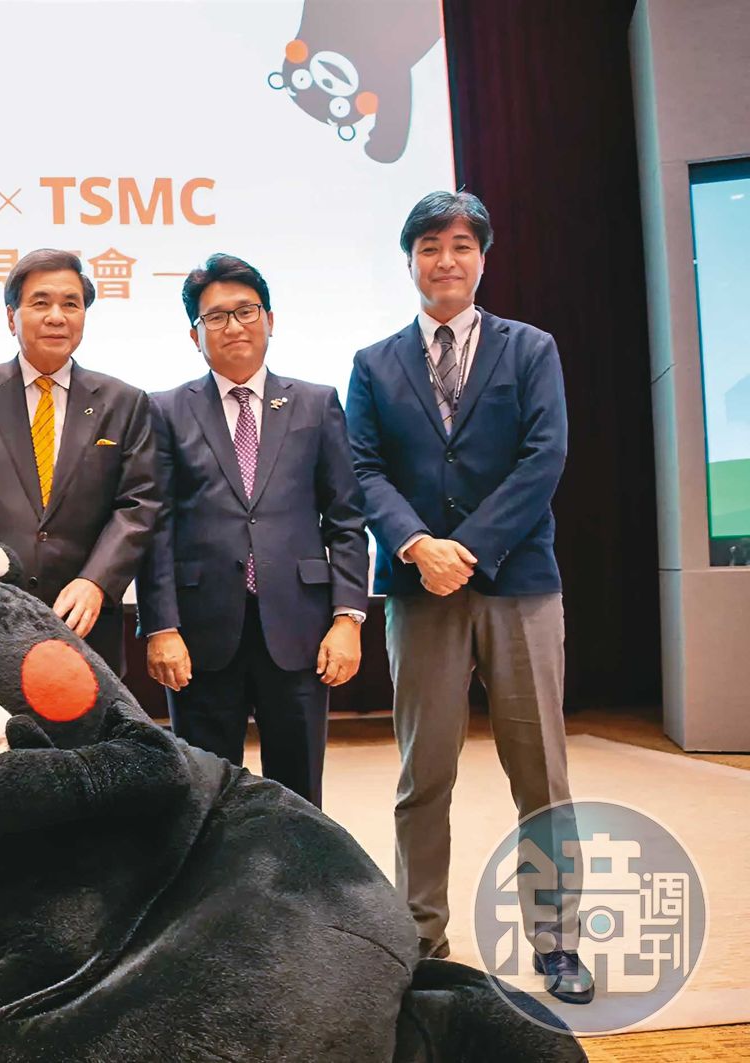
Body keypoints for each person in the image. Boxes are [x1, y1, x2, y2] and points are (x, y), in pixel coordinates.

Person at [344, 191, 592, 1004]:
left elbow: (544, 455)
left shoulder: (531, 349)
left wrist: (472, 548)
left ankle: (556, 939)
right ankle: (420, 937)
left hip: (519, 583)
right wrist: (419, 545)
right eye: (428, 247)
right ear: (409, 261)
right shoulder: (374, 363)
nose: (444, 260)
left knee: (541, 771)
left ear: (482, 257)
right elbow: (362, 469)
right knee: (424, 773)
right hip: (418, 590)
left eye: (459, 245)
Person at [137, 253, 367, 808]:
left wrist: (348, 618)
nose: (234, 326)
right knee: (203, 794)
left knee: (299, 794)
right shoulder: (165, 409)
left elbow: (346, 518)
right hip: (200, 634)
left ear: (270, 319)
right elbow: (154, 525)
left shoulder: (316, 403)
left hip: (300, 629)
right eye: (215, 316)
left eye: (246, 311)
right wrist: (161, 625)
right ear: (195, 335)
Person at [0, 249, 157, 673]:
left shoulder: (123, 402)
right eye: (40, 302)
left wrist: (97, 580)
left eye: (71, 304)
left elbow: (139, 505)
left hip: (85, 624)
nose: (57, 317)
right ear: (11, 317)